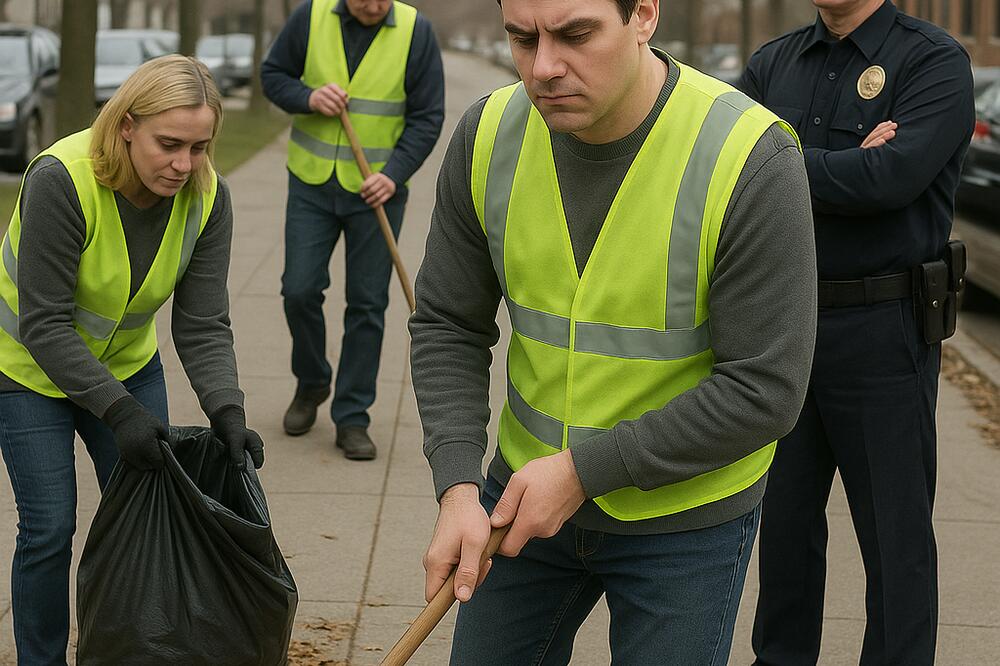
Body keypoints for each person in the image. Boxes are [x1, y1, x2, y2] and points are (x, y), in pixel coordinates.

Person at [409, 0, 818, 662]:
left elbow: (767, 387)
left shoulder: (749, 155)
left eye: (575, 34)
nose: (543, 67)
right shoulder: (487, 136)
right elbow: (448, 323)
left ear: (644, 15)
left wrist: (582, 471)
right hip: (520, 500)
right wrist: (457, 487)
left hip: (684, 523)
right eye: (522, 38)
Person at [0, 55, 265, 664]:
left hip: (125, 366)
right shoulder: (62, 179)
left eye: (199, 147)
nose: (184, 165)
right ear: (126, 125)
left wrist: (227, 410)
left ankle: (131, 651)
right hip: (26, 372)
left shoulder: (206, 197)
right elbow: (44, 323)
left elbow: (202, 323)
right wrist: (119, 413)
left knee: (150, 519)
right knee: (49, 528)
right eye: (169, 144)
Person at [736, 1, 975, 663]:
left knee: (895, 540)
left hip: (884, 330)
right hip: (783, 327)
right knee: (783, 530)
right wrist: (843, 164)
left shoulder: (932, 61)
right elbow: (726, 166)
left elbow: (890, 180)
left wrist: (783, 160)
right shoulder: (774, 63)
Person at [261, 0, 445, 460]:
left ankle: (353, 415)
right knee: (299, 290)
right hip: (311, 184)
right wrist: (307, 97)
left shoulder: (415, 31)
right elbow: (273, 76)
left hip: (377, 192)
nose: (373, 5)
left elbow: (428, 116)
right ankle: (312, 382)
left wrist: (394, 174)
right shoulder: (311, 16)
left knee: (367, 304)